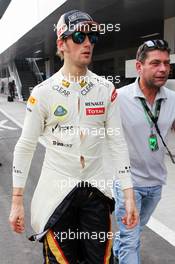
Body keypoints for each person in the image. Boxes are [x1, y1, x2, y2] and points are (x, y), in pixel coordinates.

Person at [9, 10, 138, 263]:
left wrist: (129, 194)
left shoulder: (106, 89)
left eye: (91, 37)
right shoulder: (42, 93)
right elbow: (25, 146)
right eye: (78, 36)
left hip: (96, 193)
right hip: (56, 195)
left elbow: (117, 142)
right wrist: (16, 201)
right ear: (61, 44)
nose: (87, 43)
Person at [113, 39, 175, 264]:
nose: (163, 69)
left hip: (156, 182)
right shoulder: (118, 98)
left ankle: (115, 251)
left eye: (167, 63)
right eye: (156, 63)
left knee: (135, 229)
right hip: (127, 183)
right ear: (139, 67)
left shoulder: (172, 99)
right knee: (131, 238)